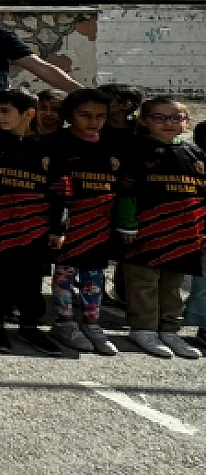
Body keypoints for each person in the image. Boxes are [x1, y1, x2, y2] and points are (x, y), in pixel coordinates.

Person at [0, 89, 58, 354]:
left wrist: (58, 227)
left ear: (28, 113)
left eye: (6, 111)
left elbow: (60, 190)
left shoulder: (48, 148)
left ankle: (30, 327)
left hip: (34, 226)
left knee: (31, 278)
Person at [115, 97, 206, 359]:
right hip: (146, 231)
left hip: (185, 233)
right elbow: (126, 191)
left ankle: (169, 329)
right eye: (160, 117)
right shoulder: (136, 152)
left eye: (176, 118)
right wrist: (127, 224)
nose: (169, 123)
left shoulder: (196, 155)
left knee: (173, 284)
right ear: (144, 121)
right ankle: (143, 328)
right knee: (144, 282)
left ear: (187, 122)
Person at [44, 89, 120, 356]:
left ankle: (92, 323)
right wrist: (58, 226)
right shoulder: (56, 144)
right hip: (68, 224)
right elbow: (56, 190)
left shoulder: (112, 146)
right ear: (69, 116)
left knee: (94, 275)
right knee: (64, 274)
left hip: (100, 223)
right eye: (85, 115)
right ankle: (64, 323)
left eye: (100, 116)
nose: (93, 121)